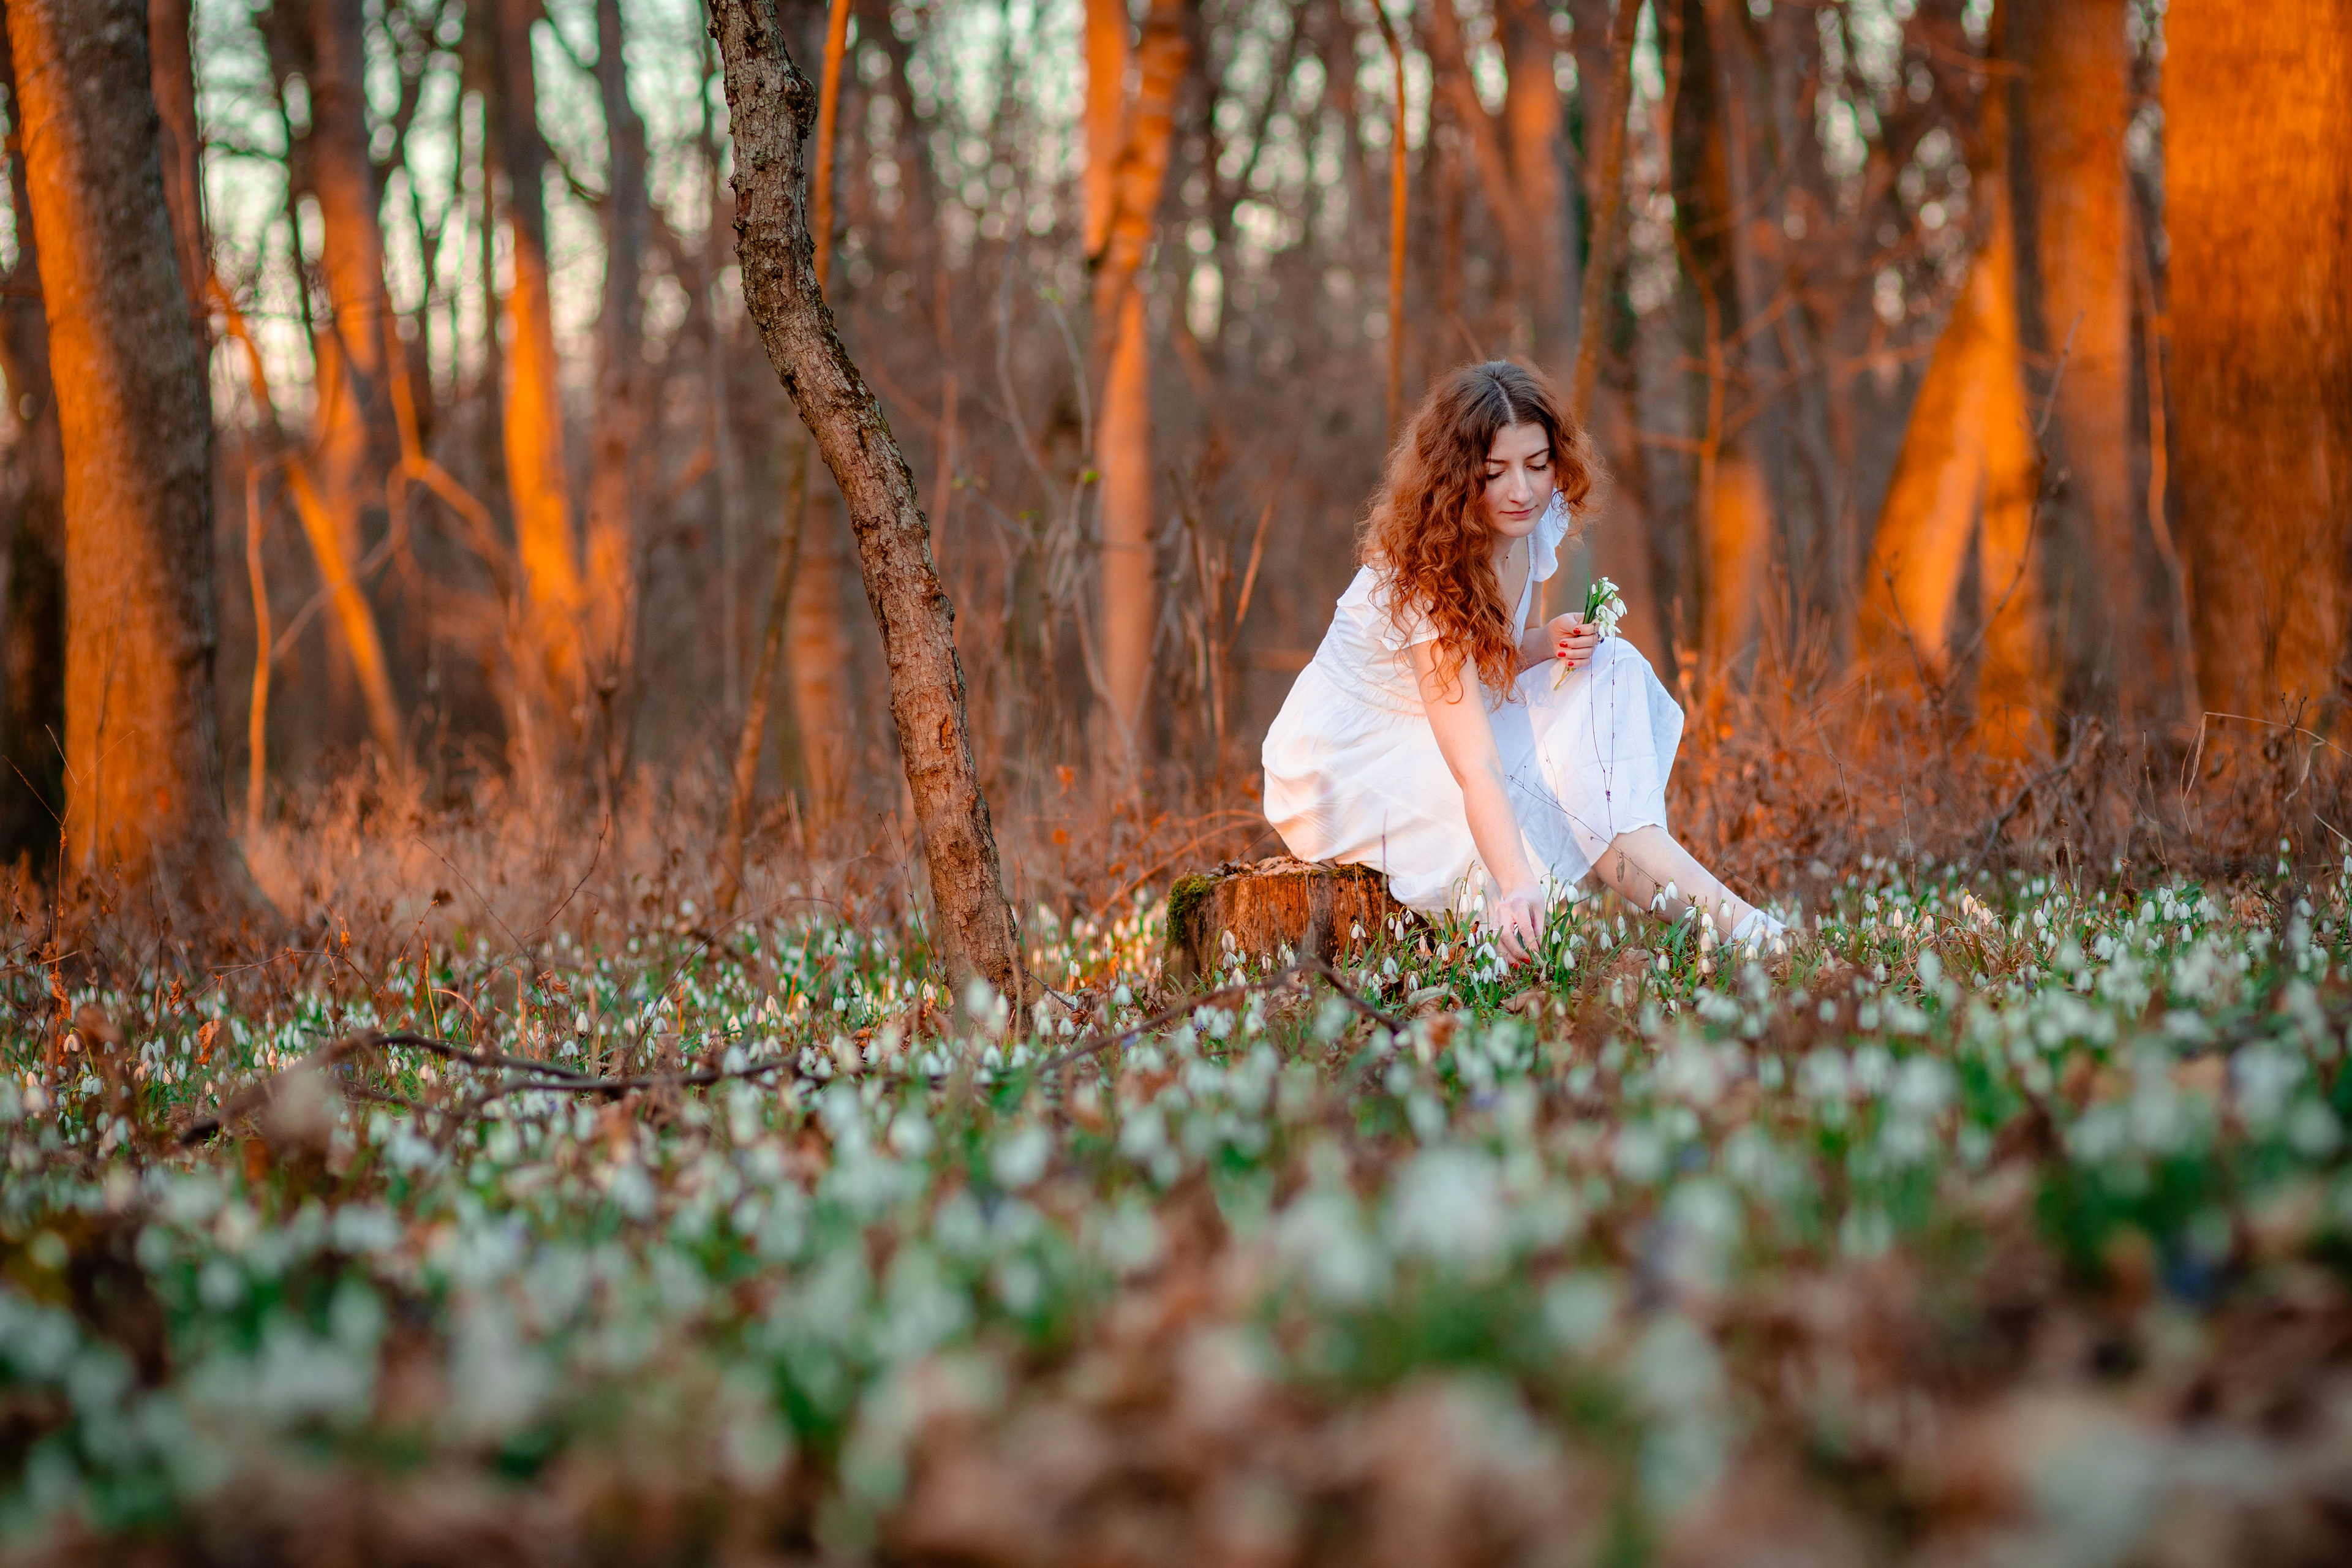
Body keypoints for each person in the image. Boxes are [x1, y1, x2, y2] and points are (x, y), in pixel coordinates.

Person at [1261, 361, 1787, 965]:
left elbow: (1496, 663)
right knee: (1524, 810)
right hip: (1350, 759)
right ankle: (1744, 935)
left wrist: (1542, 642)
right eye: (1495, 473)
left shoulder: (1530, 525)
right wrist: (1516, 883)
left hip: (1451, 719)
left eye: (1538, 465)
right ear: (1456, 478)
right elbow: (1475, 763)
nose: (1523, 491)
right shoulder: (1426, 579)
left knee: (1607, 665)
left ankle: (1744, 931)